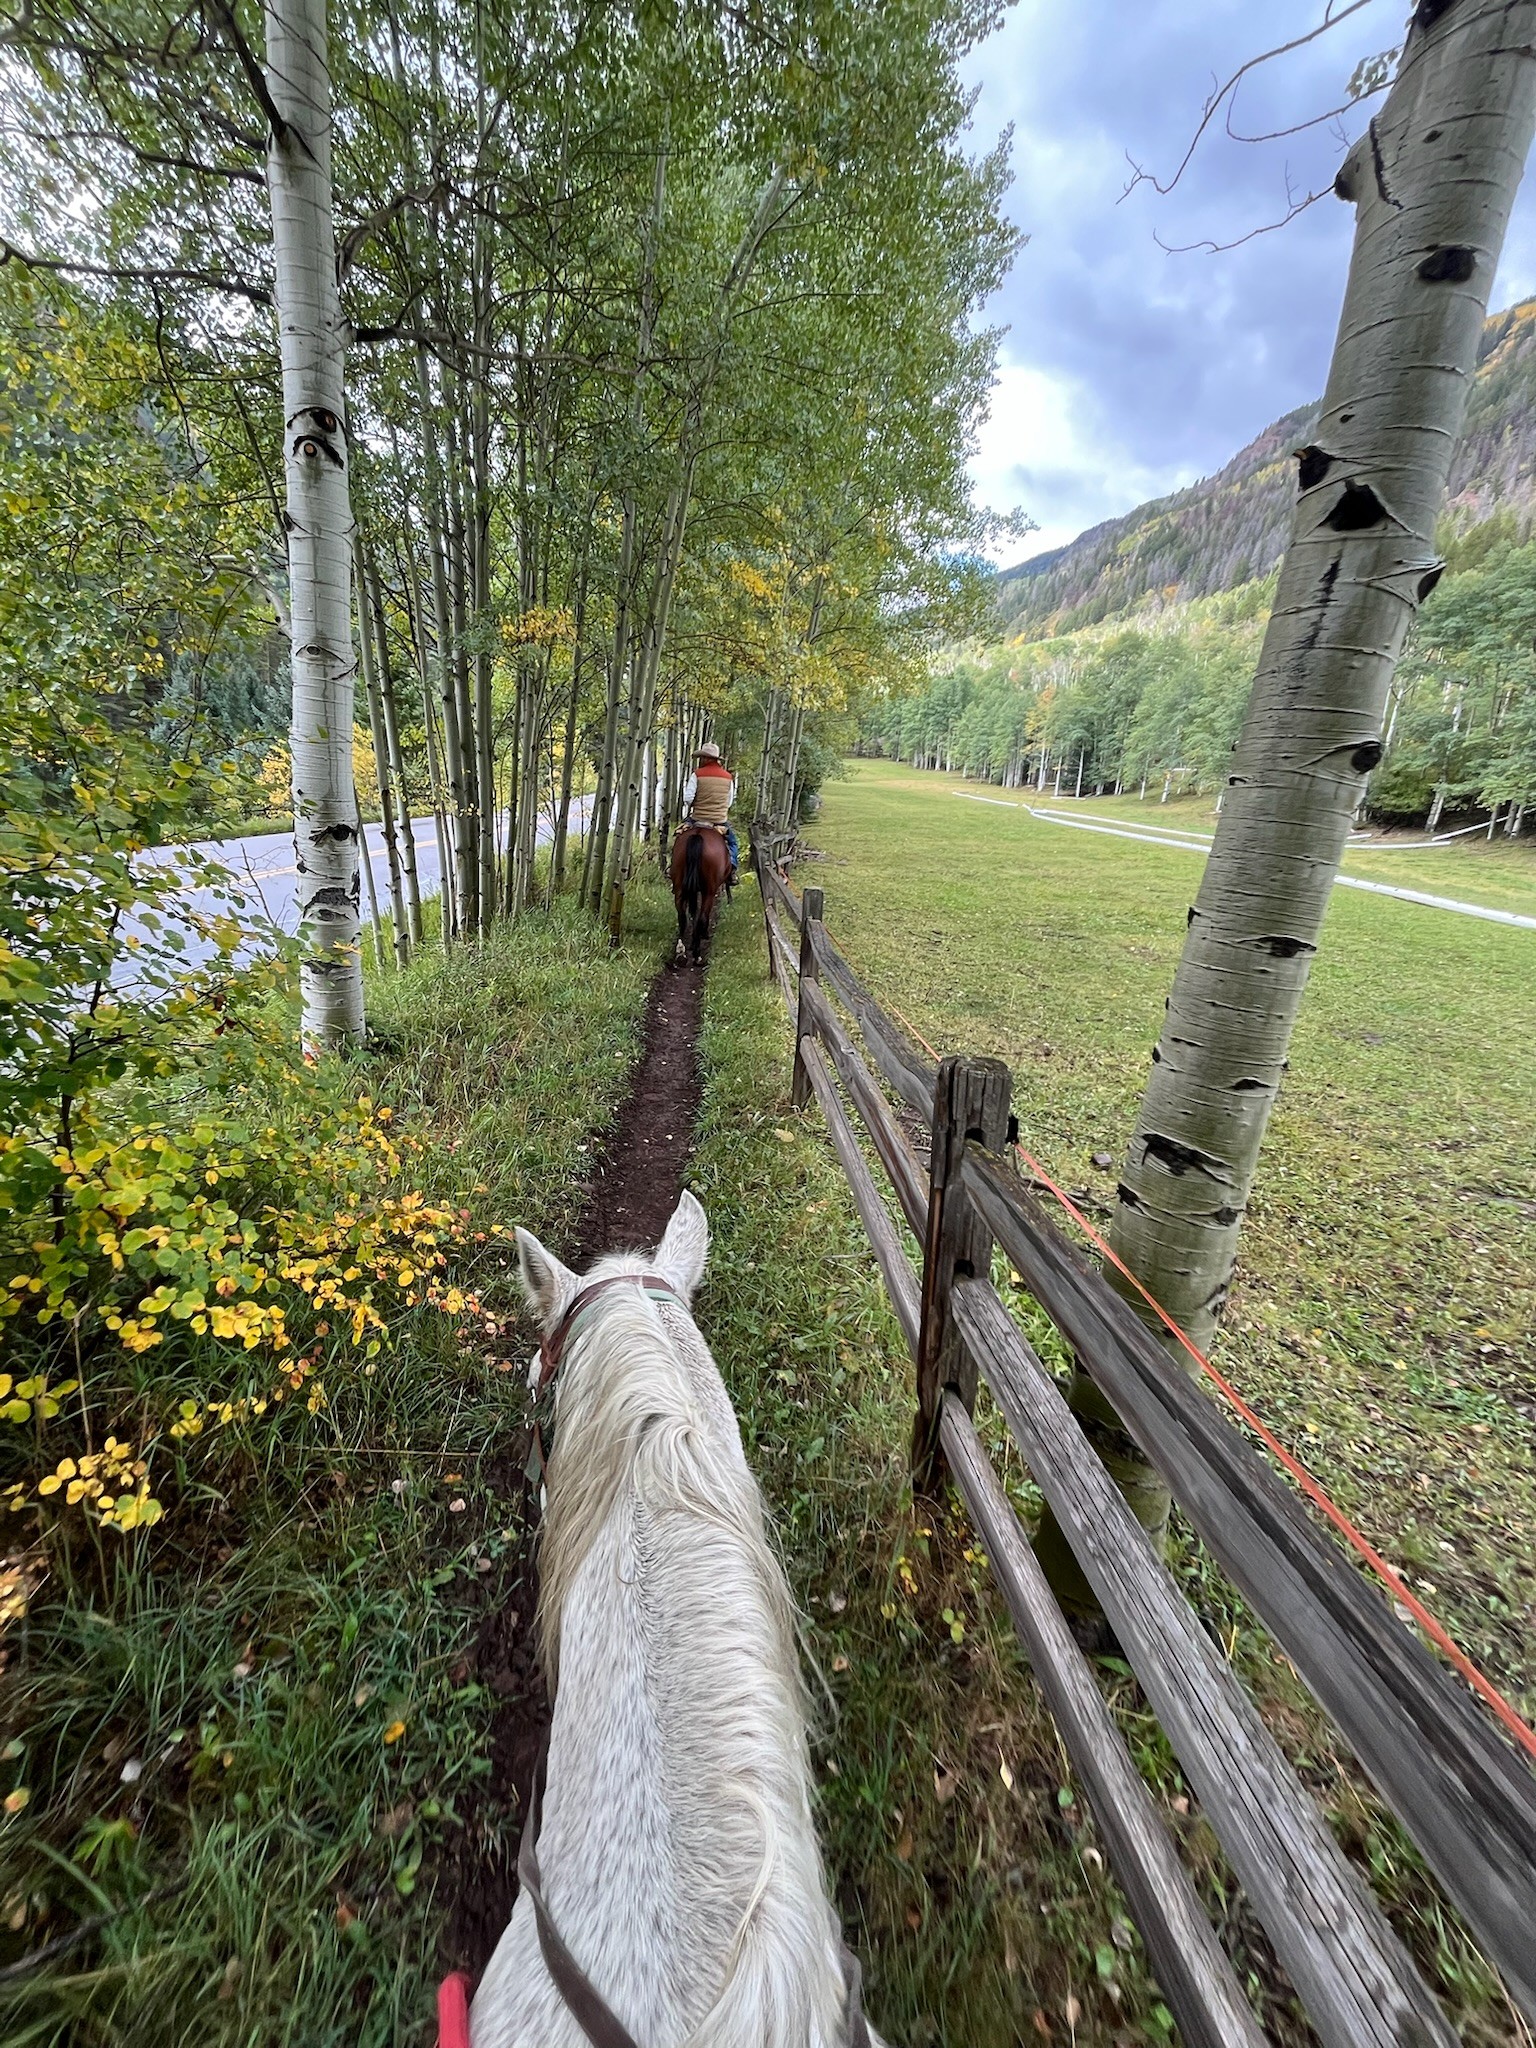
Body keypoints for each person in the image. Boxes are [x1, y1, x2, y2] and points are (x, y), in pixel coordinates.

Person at [681, 740, 738, 881]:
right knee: (733, 843)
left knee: (679, 837)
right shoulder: (728, 777)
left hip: (697, 819)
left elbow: (688, 798)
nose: (700, 760)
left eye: (702, 758)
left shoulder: (697, 774)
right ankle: (732, 871)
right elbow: (729, 802)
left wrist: (698, 803)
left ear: (706, 758)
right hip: (719, 822)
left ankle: (673, 868)